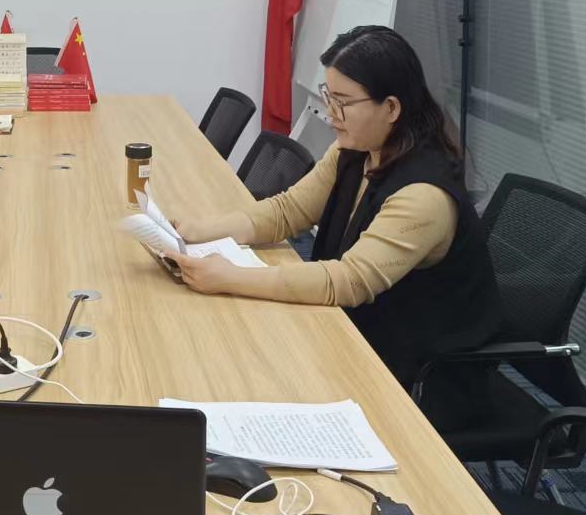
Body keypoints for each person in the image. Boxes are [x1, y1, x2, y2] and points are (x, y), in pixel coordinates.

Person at [173, 25, 502, 418]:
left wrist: (229, 278)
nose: (331, 115)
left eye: (343, 102)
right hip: (352, 334)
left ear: (391, 108)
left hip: (419, 377)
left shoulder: (423, 195)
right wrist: (192, 232)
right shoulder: (356, 150)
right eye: (329, 97)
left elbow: (348, 282)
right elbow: (288, 211)